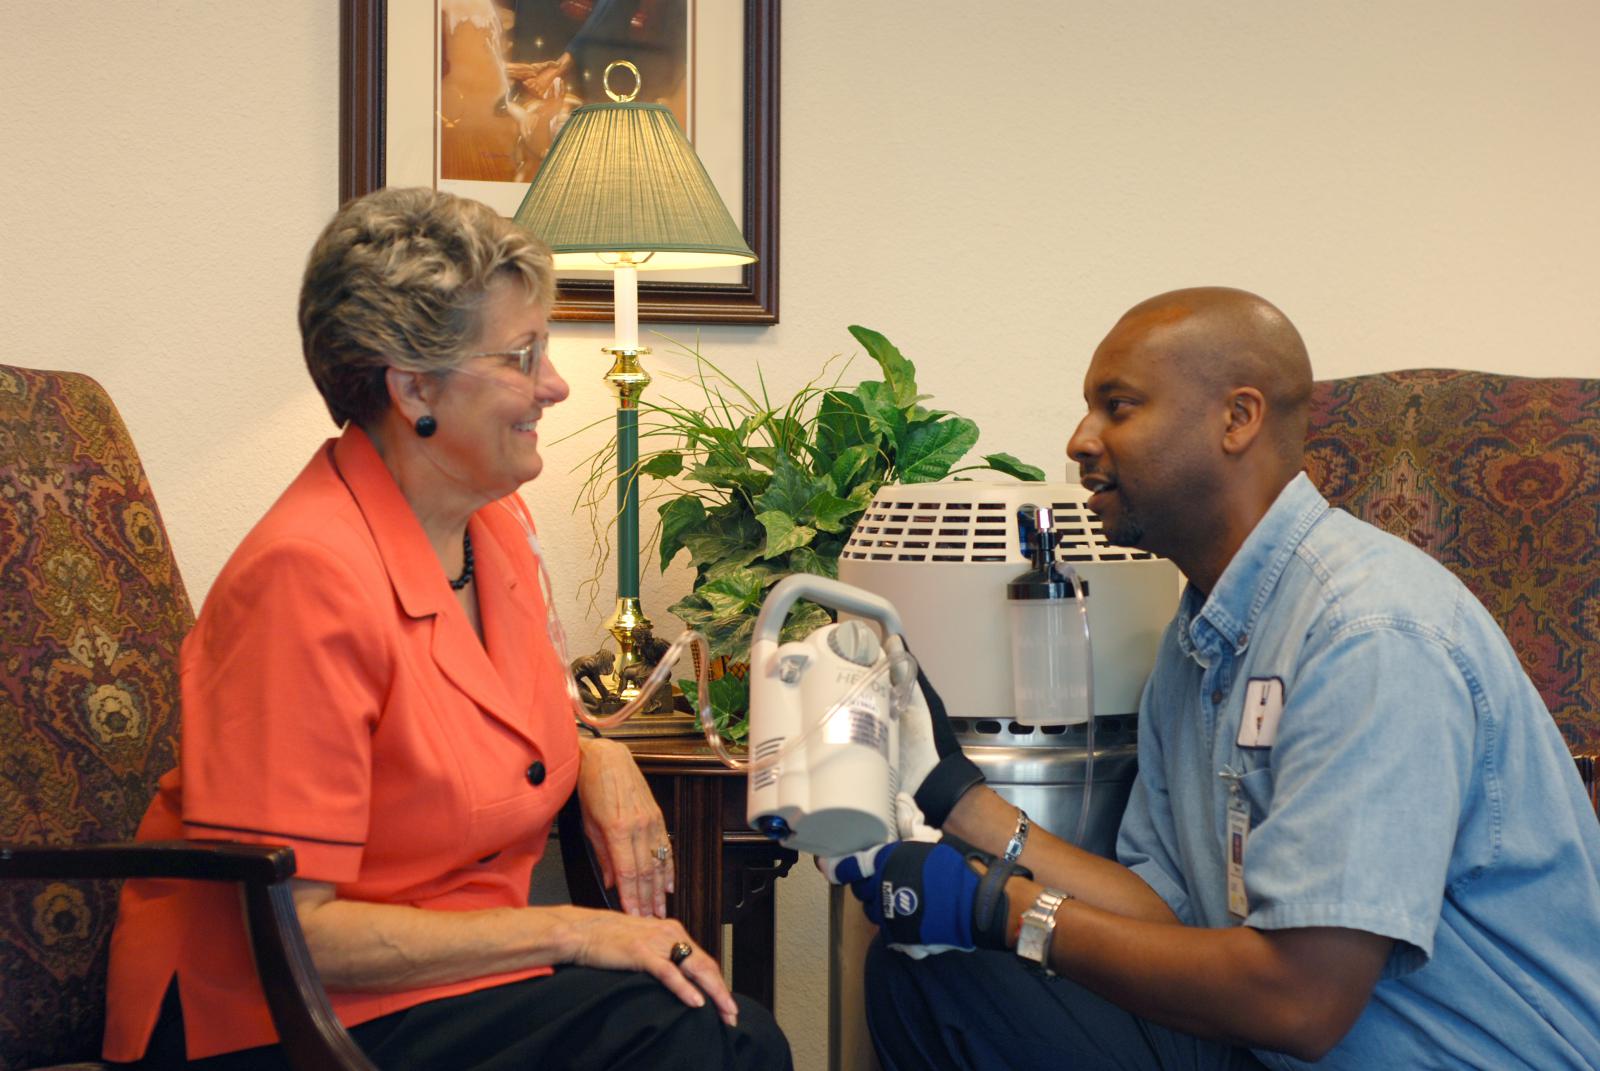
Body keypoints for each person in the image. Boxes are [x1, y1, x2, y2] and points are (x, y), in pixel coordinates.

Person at [102, 187, 790, 1070]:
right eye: (522, 355)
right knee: (689, 1038)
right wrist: (574, 931)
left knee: (733, 1030)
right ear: (413, 385)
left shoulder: (491, 528)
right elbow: (296, 930)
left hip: (445, 983)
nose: (554, 383)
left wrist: (602, 754)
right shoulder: (303, 576)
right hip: (271, 1016)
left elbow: (488, 718)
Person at [836, 287, 1600, 1069]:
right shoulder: (1198, 641)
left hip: (1448, 1053)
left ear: (1237, 418)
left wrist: (1004, 908)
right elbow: (1165, 915)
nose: (1080, 440)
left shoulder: (1367, 636)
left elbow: (1301, 1001)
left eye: (1118, 406)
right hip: (1275, 1047)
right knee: (931, 974)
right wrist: (956, 799)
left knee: (973, 953)